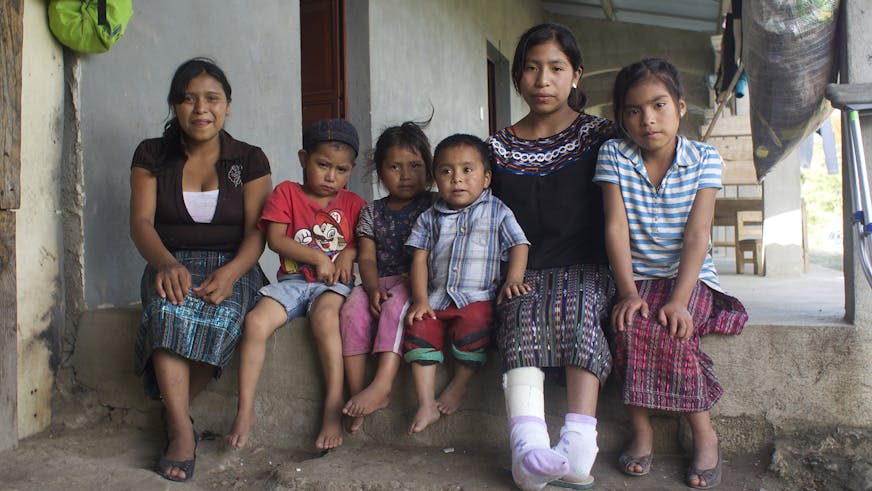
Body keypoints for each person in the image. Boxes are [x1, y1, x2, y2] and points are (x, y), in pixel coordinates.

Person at [594, 58, 747, 489]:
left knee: (673, 326)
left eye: (659, 105)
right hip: (635, 276)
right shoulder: (614, 155)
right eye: (633, 110)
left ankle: (704, 433)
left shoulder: (704, 159)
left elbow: (698, 235)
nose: (648, 119)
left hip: (690, 276)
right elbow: (615, 227)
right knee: (629, 325)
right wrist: (626, 291)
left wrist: (680, 299)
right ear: (620, 117)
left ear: (680, 106)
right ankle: (641, 430)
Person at [487, 23, 618, 491]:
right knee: (518, 314)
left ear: (575, 75)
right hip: (523, 268)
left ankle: (578, 448)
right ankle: (528, 452)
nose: (543, 80)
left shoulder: (601, 136)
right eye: (532, 68)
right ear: (518, 78)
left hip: (587, 266)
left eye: (556, 68)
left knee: (580, 312)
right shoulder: (497, 148)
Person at [130, 58, 272, 482]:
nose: (200, 108)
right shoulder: (152, 154)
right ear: (175, 105)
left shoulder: (248, 159)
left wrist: (230, 274)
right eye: (188, 99)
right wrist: (166, 263)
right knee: (166, 310)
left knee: (224, 316)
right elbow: (140, 223)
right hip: (169, 259)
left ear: (228, 106)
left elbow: (257, 233)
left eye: (212, 98)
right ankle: (180, 432)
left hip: (236, 264)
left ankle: (169, 411)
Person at [225, 119, 366, 451]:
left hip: (332, 288)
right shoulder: (286, 193)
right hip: (291, 283)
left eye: (341, 170)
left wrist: (349, 251)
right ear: (304, 159)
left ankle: (333, 405)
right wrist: (317, 258)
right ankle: (245, 408)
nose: (332, 176)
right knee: (255, 322)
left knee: (326, 318)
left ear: (352, 170)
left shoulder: (353, 204)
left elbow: (365, 242)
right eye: (323, 165)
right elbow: (274, 239)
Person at [404, 133, 530, 435]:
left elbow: (519, 244)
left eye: (467, 170)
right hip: (436, 298)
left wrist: (513, 279)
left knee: (477, 330)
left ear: (486, 178)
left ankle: (458, 385)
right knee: (419, 330)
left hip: (477, 297)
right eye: (446, 171)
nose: (457, 179)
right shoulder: (428, 218)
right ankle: (425, 402)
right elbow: (419, 259)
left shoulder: (498, 210)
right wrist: (420, 300)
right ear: (435, 179)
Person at [338, 121, 435, 433]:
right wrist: (370, 287)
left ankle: (382, 385)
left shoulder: (435, 206)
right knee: (352, 309)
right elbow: (365, 257)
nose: (405, 174)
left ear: (429, 169)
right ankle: (358, 392)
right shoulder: (371, 212)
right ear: (380, 172)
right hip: (380, 279)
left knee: (394, 309)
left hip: (418, 282)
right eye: (394, 166)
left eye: (414, 166)